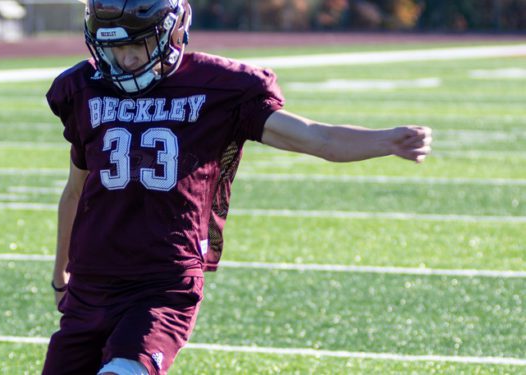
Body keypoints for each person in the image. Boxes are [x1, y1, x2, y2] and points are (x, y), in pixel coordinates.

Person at [43, 0, 432, 374]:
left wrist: (387, 141)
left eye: (136, 45)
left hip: (161, 281)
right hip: (93, 281)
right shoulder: (84, 88)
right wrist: (61, 273)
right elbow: (76, 191)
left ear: (172, 33)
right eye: (115, 48)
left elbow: (315, 138)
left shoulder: (220, 88)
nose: (125, 60)